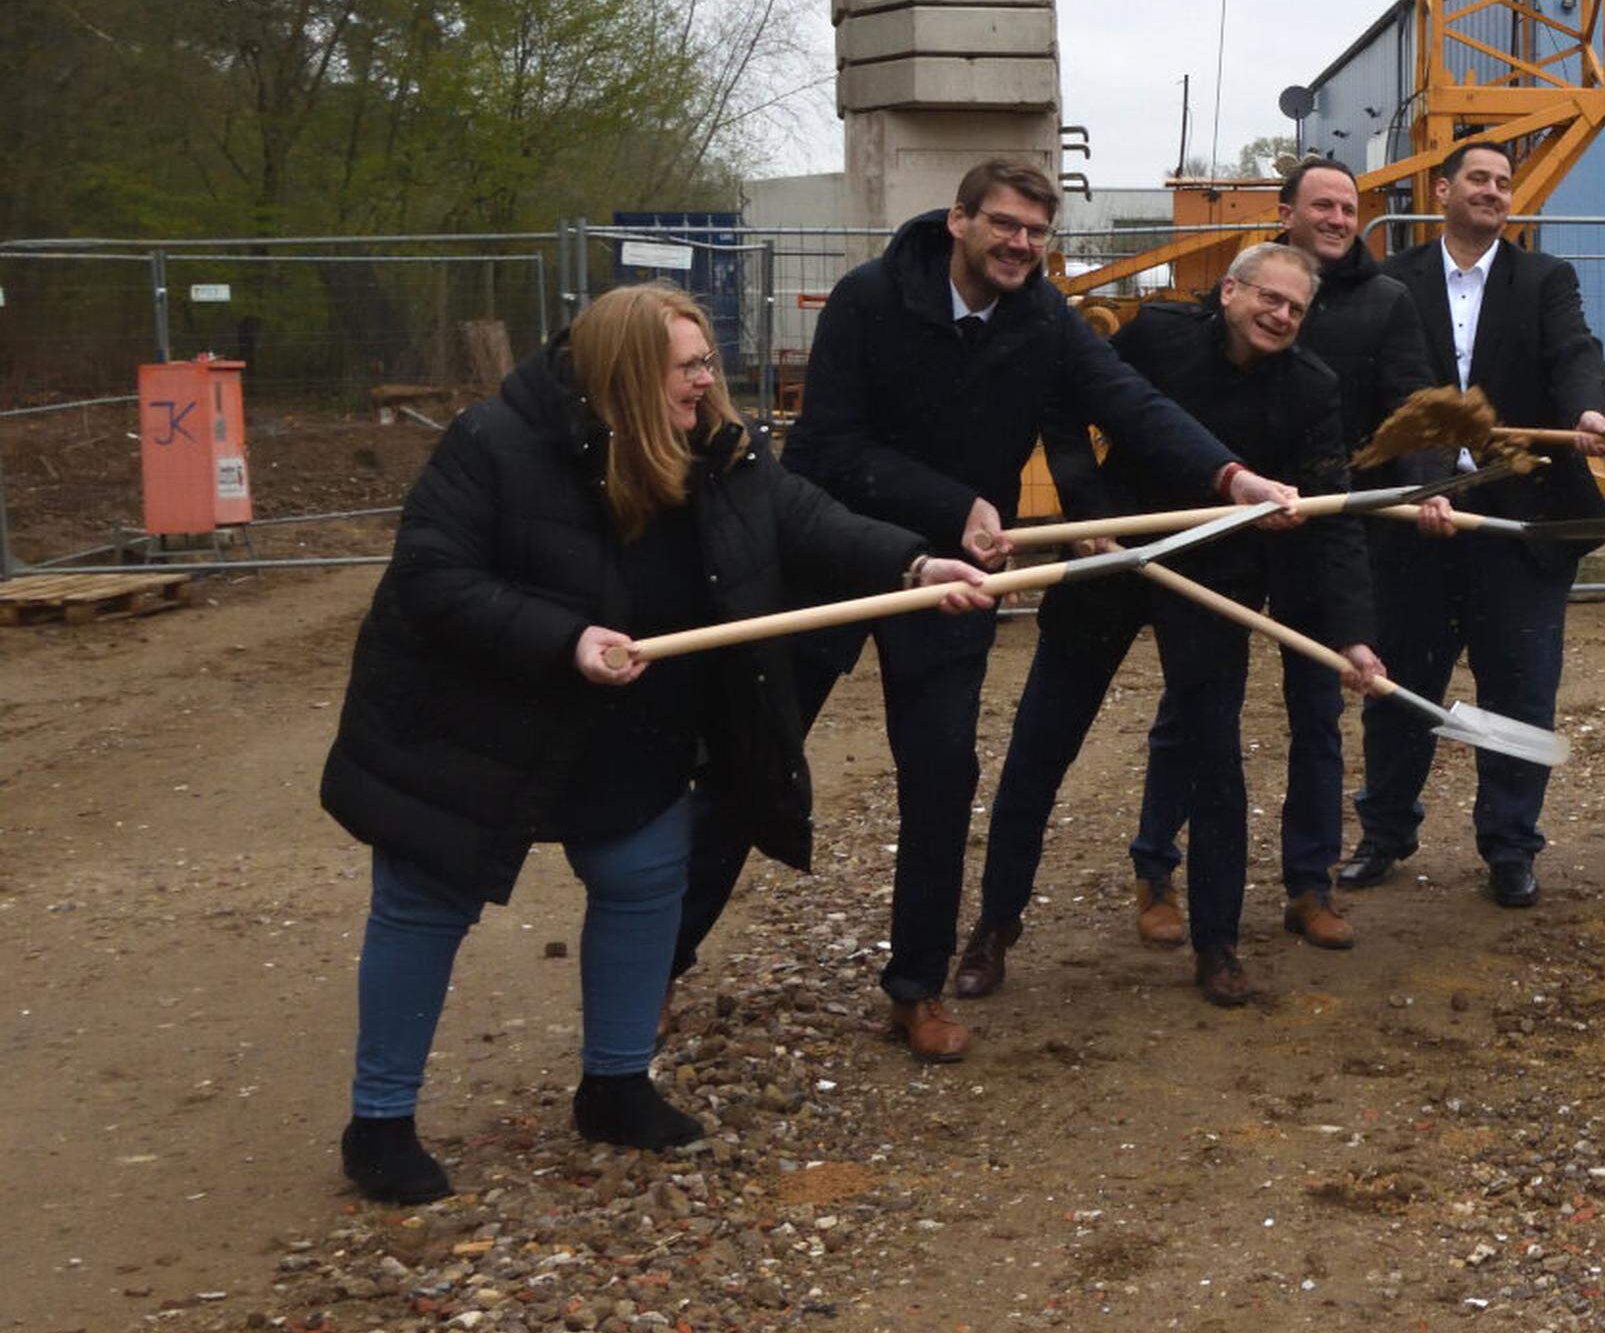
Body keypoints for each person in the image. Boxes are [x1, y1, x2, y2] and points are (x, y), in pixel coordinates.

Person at [321, 285, 990, 1203]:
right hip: (473, 724)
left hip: (628, 720)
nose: (707, 381)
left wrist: (913, 563)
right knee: (425, 903)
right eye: (689, 367)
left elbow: (798, 517)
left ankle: (615, 1085)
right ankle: (381, 1123)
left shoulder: (716, 448)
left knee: (643, 880)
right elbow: (432, 578)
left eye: (708, 362)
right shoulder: (494, 442)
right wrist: (564, 639)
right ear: (631, 375)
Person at [672, 159, 1295, 1065]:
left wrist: (1230, 477)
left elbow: (1131, 401)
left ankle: (915, 988)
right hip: (831, 557)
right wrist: (950, 501)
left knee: (941, 775)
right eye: (1005, 225)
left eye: (1037, 232)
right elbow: (832, 447)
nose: (1021, 245)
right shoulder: (868, 301)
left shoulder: (1042, 317)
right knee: (751, 760)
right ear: (959, 220)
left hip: (955, 580)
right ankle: (663, 959)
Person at [962, 243, 1385, 1009]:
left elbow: (1335, 521)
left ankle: (1217, 943)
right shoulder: (1156, 336)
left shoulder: (1312, 389)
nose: (1282, 316)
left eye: (1296, 309)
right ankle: (993, 928)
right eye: (1270, 299)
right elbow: (1065, 406)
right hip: (1108, 560)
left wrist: (1353, 635)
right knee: (1040, 747)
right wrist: (1085, 512)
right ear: (1230, 290)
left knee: (1215, 760)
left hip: (1215, 582)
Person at [1121, 156, 1443, 953]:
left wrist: (1426, 486)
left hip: (1322, 530)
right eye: (1323, 206)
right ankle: (1156, 868)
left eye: (1349, 207)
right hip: (1219, 531)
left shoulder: (1385, 301)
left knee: (1319, 715)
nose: (1338, 218)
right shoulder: (1250, 283)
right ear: (1287, 213)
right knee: (1192, 712)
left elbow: (1415, 402)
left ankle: (1310, 883)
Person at [1351, 140, 1605, 908]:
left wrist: (1587, 409)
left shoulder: (1544, 278)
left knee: (1519, 691)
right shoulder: (1393, 280)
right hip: (1416, 518)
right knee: (1401, 686)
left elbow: (1575, 351)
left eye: (1504, 183)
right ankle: (1385, 833)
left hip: (1518, 521)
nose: (1494, 192)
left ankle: (1509, 846)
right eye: (1479, 178)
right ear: (1443, 190)